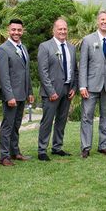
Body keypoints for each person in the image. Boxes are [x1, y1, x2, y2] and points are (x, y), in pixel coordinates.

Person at [79, 10, 106, 158]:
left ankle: (103, 146)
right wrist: (82, 85)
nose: (105, 22)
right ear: (98, 22)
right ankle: (85, 147)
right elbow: (83, 65)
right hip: (91, 85)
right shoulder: (87, 40)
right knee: (87, 116)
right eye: (102, 19)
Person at [37, 18, 77, 161]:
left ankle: (57, 147)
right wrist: (50, 91)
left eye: (65, 29)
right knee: (47, 121)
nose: (63, 31)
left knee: (61, 120)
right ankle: (42, 150)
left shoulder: (71, 48)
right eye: (60, 29)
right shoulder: (45, 46)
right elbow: (43, 71)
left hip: (67, 90)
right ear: (54, 30)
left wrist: (74, 87)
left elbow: (75, 70)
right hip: (51, 92)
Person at [0, 19, 34, 166]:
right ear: (8, 30)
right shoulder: (3, 49)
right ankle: (4, 156)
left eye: (19, 30)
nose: (16, 32)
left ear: (22, 31)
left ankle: (15, 152)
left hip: (22, 94)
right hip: (11, 95)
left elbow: (26, 72)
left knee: (16, 125)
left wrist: (30, 91)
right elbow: (4, 76)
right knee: (7, 125)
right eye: (13, 30)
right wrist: (9, 96)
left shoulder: (23, 48)